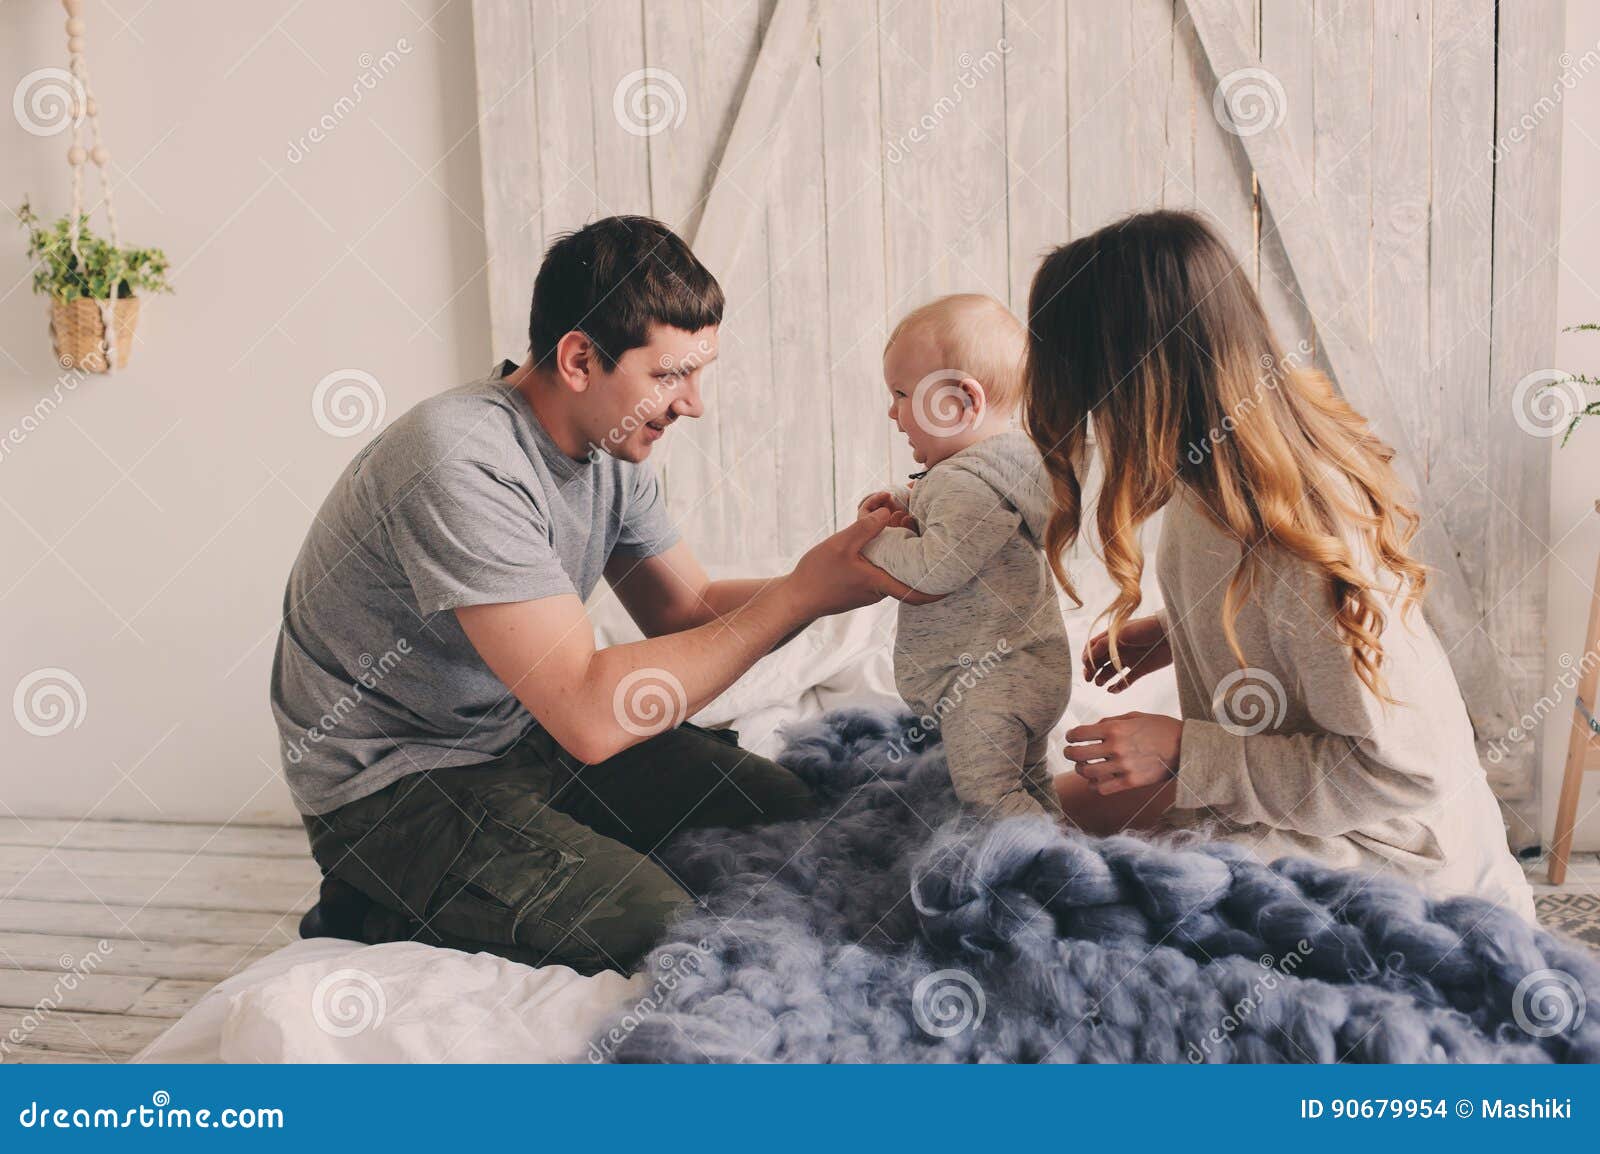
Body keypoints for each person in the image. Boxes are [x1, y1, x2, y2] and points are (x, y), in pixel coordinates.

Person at [271, 215, 930, 975]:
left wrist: (848, 577)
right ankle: (370, 898)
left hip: (527, 736)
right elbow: (589, 714)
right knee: (667, 929)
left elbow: (684, 608)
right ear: (580, 359)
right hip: (401, 787)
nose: (693, 405)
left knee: (793, 819)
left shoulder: (609, 449)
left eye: (697, 374)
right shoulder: (458, 461)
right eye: (669, 375)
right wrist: (801, 595)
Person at [1024, 209, 1535, 919]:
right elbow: (1278, 628)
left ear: (1138, 379)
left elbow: (1395, 773)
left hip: (1386, 853)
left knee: (1076, 898)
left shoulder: (1299, 531)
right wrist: (1179, 631)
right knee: (1032, 822)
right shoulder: (1215, 479)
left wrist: (1181, 751)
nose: (1093, 424)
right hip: (1293, 806)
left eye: (1092, 396)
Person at [857, 294, 1071, 820]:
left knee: (988, 795)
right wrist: (904, 504)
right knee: (1028, 780)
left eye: (901, 394)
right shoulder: (998, 472)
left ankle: (1043, 868)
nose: (892, 411)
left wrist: (875, 540)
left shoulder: (968, 484)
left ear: (957, 403)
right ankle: (1063, 845)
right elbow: (957, 526)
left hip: (990, 682)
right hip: (1026, 669)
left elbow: (937, 567)